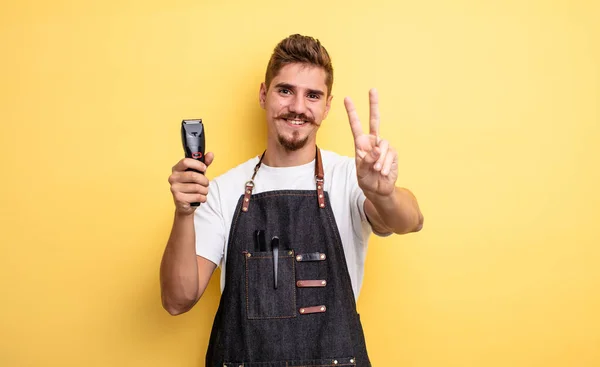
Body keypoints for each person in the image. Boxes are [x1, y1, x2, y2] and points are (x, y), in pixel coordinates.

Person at [160, 34, 423, 367]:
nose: (298, 107)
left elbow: (410, 220)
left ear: (327, 105)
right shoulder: (224, 191)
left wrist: (383, 192)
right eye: (285, 90)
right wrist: (184, 213)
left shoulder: (350, 177)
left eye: (312, 95)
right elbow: (176, 300)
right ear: (263, 95)